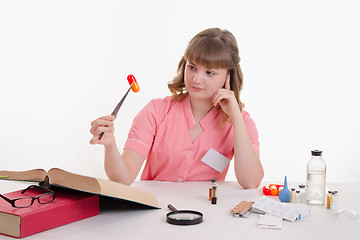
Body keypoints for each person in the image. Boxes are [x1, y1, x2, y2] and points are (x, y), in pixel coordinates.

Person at [90, 28, 264, 188]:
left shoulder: (242, 122)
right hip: (155, 212)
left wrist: (236, 120)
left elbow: (251, 182)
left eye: (209, 72)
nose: (196, 79)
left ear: (228, 75)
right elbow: (123, 178)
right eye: (192, 67)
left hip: (209, 214)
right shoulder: (155, 111)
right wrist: (110, 146)